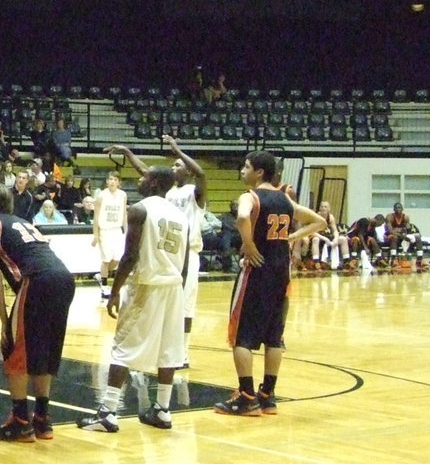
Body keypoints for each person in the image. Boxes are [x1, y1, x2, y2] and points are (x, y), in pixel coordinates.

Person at [214, 151, 325, 417]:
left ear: (259, 172)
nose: (242, 171)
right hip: (281, 272)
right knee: (274, 336)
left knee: (241, 335)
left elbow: (241, 217)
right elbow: (319, 222)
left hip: (257, 269)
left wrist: (249, 244)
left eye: (246, 166)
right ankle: (268, 395)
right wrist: (290, 237)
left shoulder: (249, 197)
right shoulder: (285, 198)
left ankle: (246, 397)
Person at [80, 166, 189, 432]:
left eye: (144, 176)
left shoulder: (140, 209)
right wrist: (178, 287)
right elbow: (184, 264)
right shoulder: (180, 215)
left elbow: (130, 256)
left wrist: (115, 290)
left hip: (146, 285)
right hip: (174, 286)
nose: (139, 179)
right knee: (169, 350)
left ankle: (108, 412)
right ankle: (162, 410)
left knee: (122, 346)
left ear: (153, 183)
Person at [0, 183, 76, 442]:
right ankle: (42, 419)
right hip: (64, 278)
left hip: (38, 280)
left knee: (15, 348)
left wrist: (3, 318)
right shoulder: (22, 221)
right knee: (44, 349)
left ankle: (20, 421)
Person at [107, 135, 207, 366]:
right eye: (173, 165)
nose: (174, 166)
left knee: (185, 305)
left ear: (188, 171)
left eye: (179, 165)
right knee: (158, 303)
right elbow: (147, 173)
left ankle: (183, 351)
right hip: (164, 251)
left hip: (187, 253)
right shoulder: (166, 193)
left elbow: (201, 174)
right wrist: (127, 152)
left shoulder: (195, 192)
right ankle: (158, 350)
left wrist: (177, 149)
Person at [91, 171, 128, 298]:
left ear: (119, 182)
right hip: (104, 230)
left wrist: (127, 231)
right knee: (106, 259)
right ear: (107, 181)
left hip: (117, 230)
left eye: (115, 179)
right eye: (110, 179)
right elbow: (95, 216)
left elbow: (124, 214)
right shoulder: (101, 196)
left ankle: (100, 275)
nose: (112, 181)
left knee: (117, 259)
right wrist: (96, 234)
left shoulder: (123, 195)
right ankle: (105, 286)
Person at [310, 201, 350, 270]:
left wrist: (336, 238)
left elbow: (335, 230)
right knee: (315, 239)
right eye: (322, 206)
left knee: (343, 239)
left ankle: (346, 262)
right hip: (318, 236)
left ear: (329, 209)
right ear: (319, 208)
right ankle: (316, 262)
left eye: (325, 207)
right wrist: (324, 238)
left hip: (328, 237)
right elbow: (311, 232)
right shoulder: (316, 217)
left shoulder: (331, 217)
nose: (323, 208)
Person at [385, 202, 426, 268]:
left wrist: (408, 235)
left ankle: (419, 259)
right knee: (394, 237)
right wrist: (401, 233)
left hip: (402, 237)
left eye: (399, 207)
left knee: (417, 237)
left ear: (402, 209)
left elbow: (408, 230)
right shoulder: (390, 216)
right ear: (393, 209)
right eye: (396, 208)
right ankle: (393, 260)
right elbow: (390, 231)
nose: (398, 209)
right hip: (391, 236)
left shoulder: (406, 217)